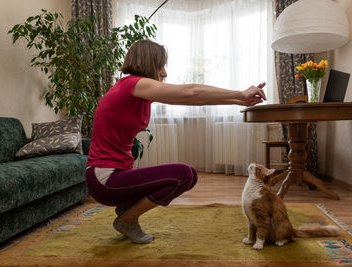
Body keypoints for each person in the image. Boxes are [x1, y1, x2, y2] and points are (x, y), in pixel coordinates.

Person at [86, 39, 266, 244]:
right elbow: (189, 92)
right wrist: (240, 94)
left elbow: (194, 99)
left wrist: (240, 100)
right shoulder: (132, 84)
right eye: (161, 65)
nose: (164, 73)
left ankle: (128, 209)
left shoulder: (138, 91)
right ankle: (127, 219)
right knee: (182, 175)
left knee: (189, 175)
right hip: (105, 180)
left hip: (118, 175)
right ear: (147, 63)